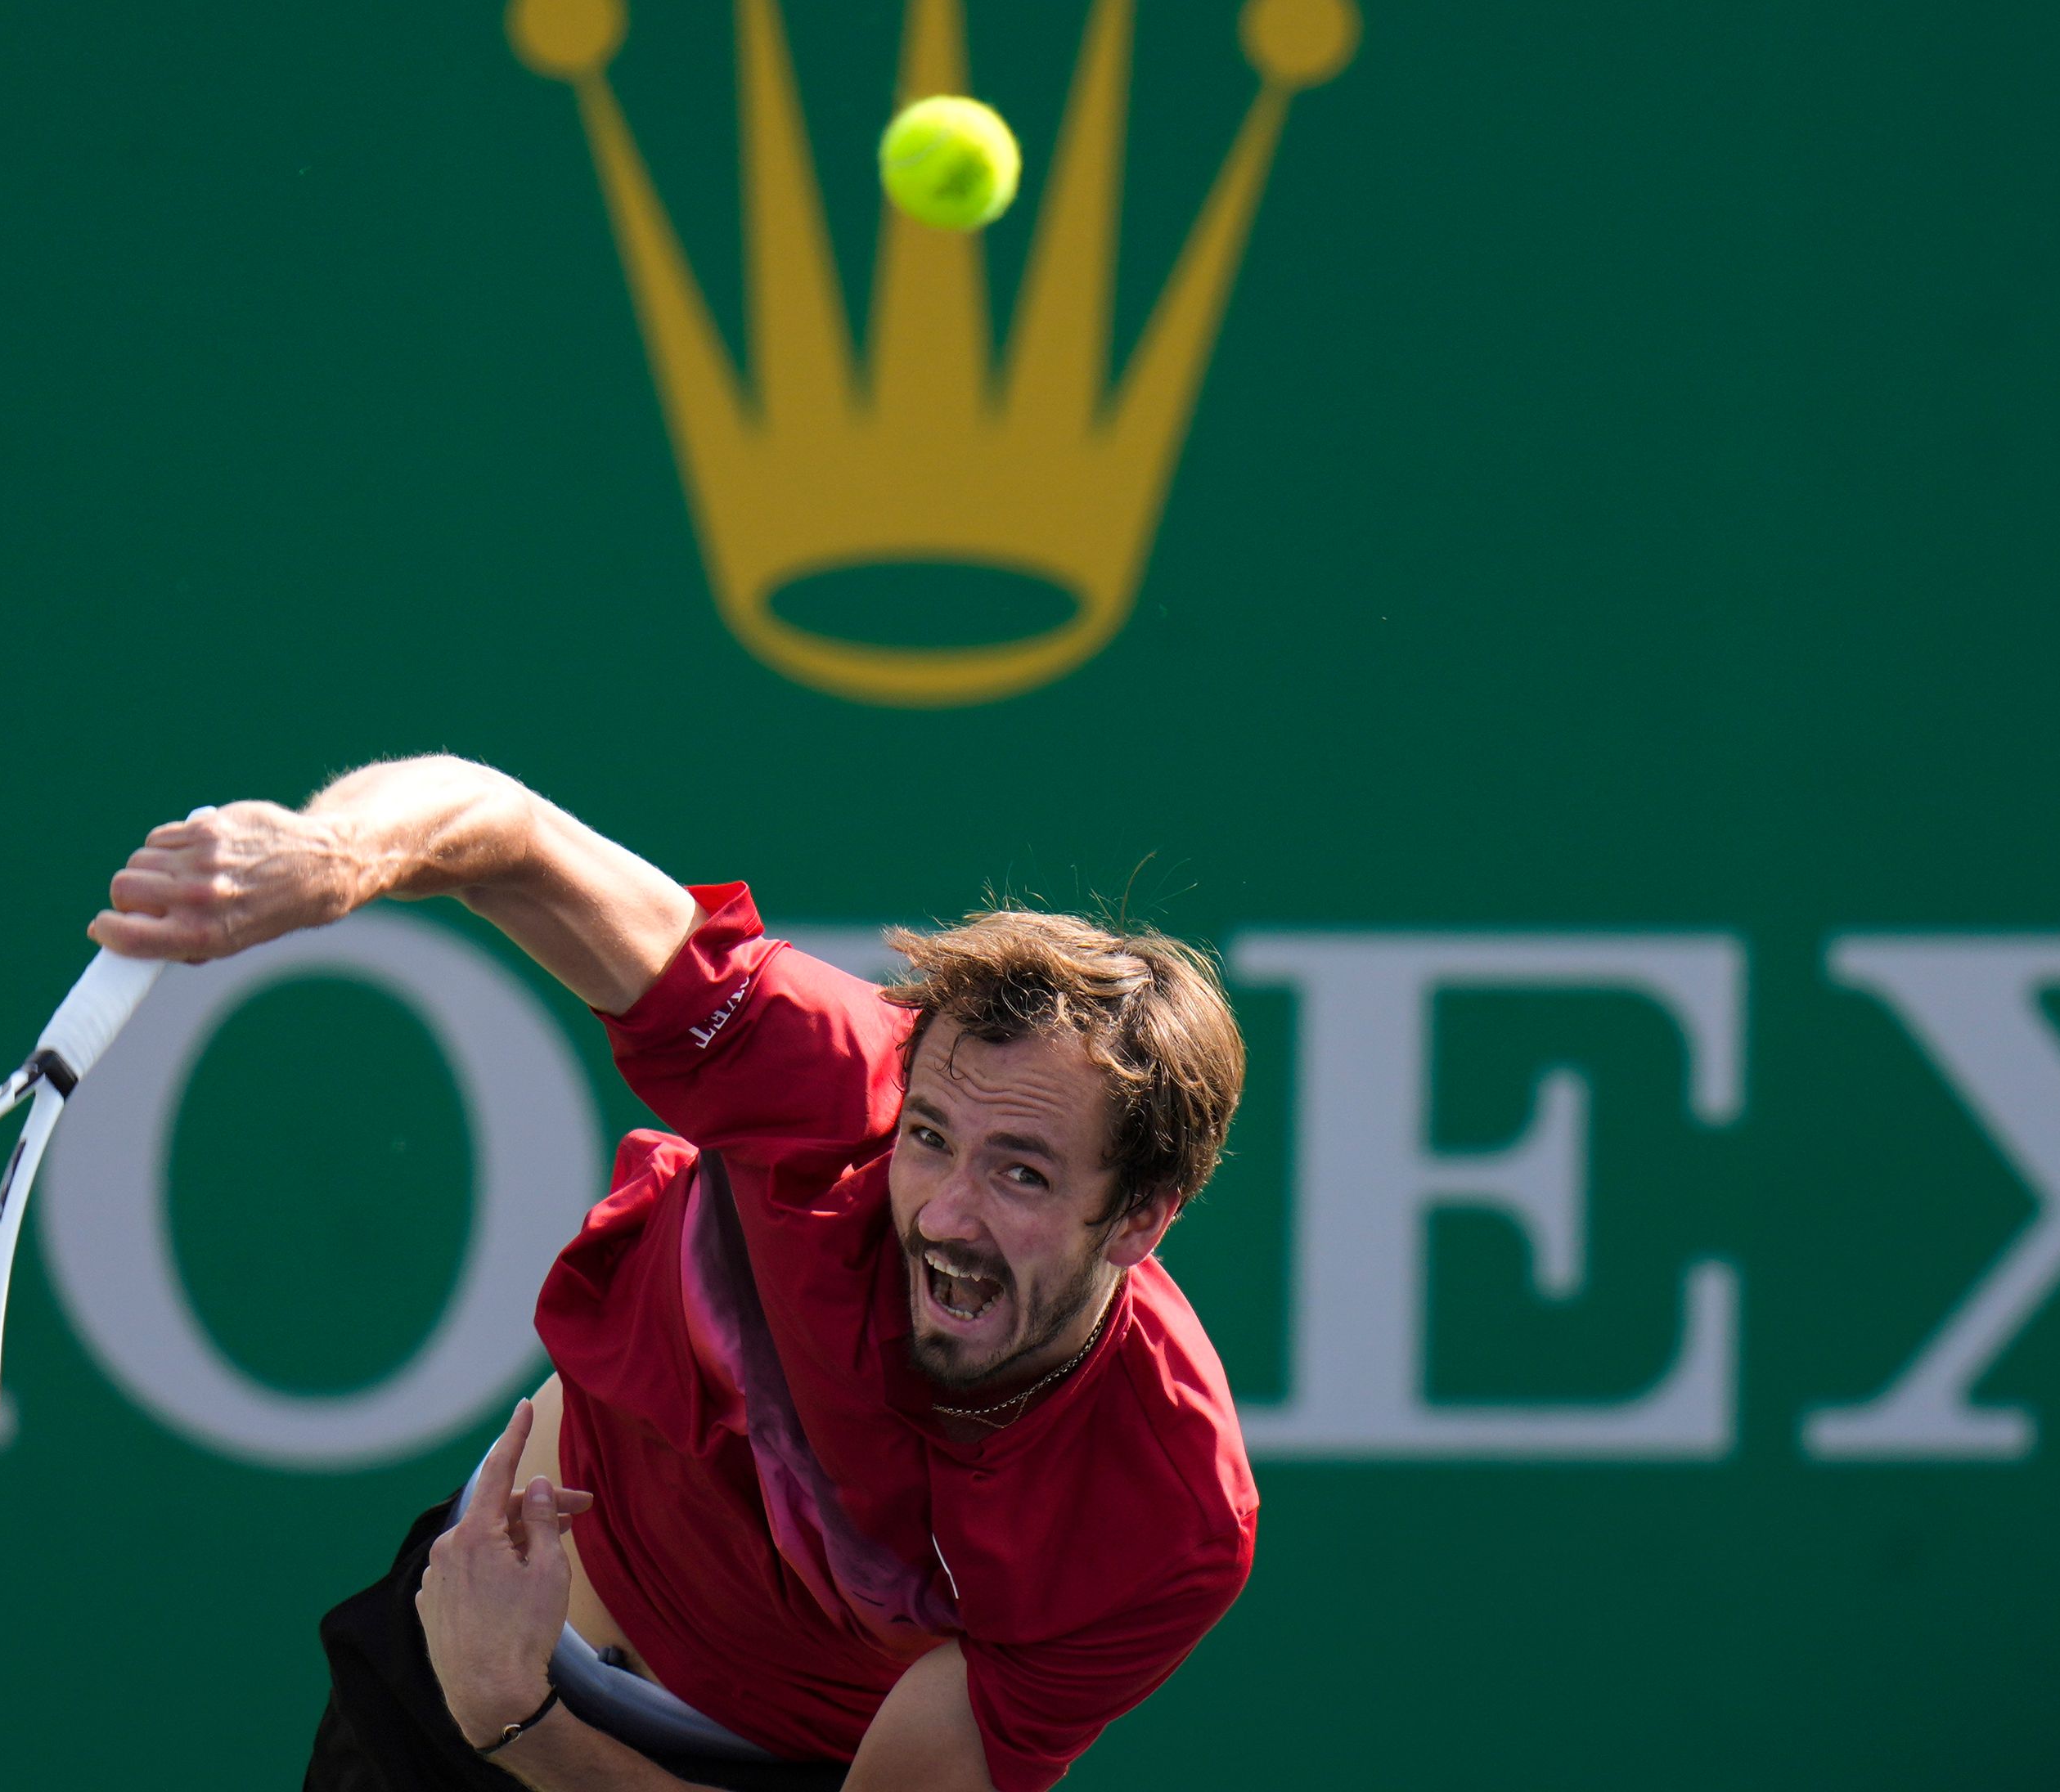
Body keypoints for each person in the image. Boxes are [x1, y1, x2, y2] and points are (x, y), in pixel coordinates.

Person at [90, 757, 1254, 1792]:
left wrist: (521, 1722)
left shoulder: (1166, 1516)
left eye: (1023, 1176)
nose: (945, 1214)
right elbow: (509, 834)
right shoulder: (831, 1081)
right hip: (447, 1665)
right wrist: (333, 854)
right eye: (933, 1138)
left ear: (1139, 1219)